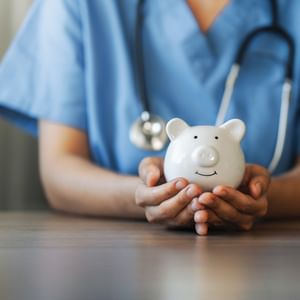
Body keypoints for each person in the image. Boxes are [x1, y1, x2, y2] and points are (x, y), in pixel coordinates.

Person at [0, 0, 299, 235]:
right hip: (107, 258)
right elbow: (59, 171)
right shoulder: (79, 4)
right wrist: (147, 197)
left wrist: (259, 197)